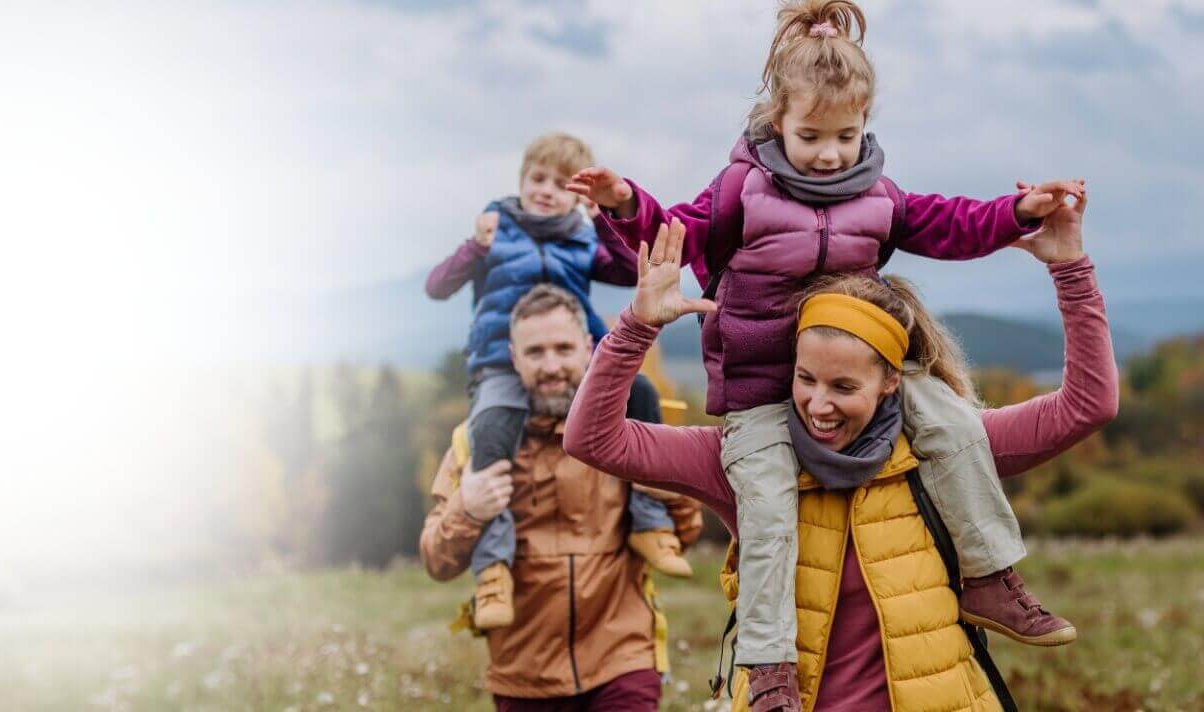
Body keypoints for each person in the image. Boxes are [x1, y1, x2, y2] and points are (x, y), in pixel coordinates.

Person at [565, 0, 1086, 699]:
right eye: (811, 135)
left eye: (848, 134)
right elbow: (674, 237)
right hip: (760, 394)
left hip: (861, 368)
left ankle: (989, 576)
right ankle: (772, 667)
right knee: (771, 514)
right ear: (775, 121)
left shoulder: (878, 194)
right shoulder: (740, 192)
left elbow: (951, 223)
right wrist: (625, 203)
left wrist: (1018, 214)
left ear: (866, 124)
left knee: (957, 424)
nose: (831, 152)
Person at [563, 192, 1115, 711]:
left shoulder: (949, 448)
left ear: (890, 382)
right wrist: (636, 327)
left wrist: (1069, 268)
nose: (818, 405)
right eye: (806, 379)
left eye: (844, 388)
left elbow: (1087, 405)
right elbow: (593, 438)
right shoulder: (747, 459)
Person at [426, 132, 691, 630]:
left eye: (561, 185)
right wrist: (472, 247)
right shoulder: (496, 230)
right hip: (501, 359)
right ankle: (494, 570)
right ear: (522, 180)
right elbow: (437, 286)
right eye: (538, 179)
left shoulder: (580, 236)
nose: (547, 191)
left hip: (578, 355)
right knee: (491, 434)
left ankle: (649, 521)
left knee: (643, 395)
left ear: (579, 198)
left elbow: (625, 269)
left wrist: (608, 226)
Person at [420, 284, 704, 711]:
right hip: (524, 676)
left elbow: (686, 534)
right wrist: (468, 509)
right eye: (535, 352)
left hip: (623, 662)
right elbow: (436, 561)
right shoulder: (473, 444)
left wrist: (672, 493)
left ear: (588, 348)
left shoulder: (627, 432)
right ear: (514, 358)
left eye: (562, 349)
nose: (551, 366)